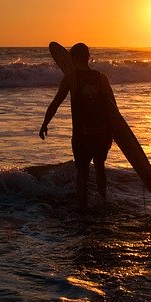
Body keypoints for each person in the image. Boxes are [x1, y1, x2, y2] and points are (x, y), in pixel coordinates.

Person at [39, 42, 116, 210]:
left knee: (82, 172)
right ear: (88, 58)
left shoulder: (71, 78)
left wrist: (45, 123)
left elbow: (56, 103)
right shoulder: (102, 78)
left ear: (72, 59)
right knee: (100, 166)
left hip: (83, 135)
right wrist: (113, 134)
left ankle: (82, 207)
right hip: (102, 134)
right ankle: (103, 201)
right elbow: (113, 109)